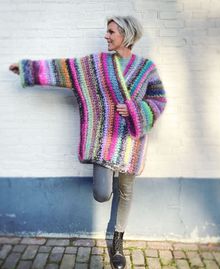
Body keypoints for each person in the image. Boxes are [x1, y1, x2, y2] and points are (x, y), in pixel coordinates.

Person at [9, 15, 167, 269]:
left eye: (111, 31)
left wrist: (135, 110)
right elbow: (64, 69)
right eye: (107, 31)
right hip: (104, 141)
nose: (106, 36)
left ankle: (118, 240)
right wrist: (28, 69)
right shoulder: (97, 63)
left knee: (126, 191)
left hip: (131, 142)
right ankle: (113, 224)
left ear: (125, 35)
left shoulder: (146, 68)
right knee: (103, 193)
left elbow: (159, 101)